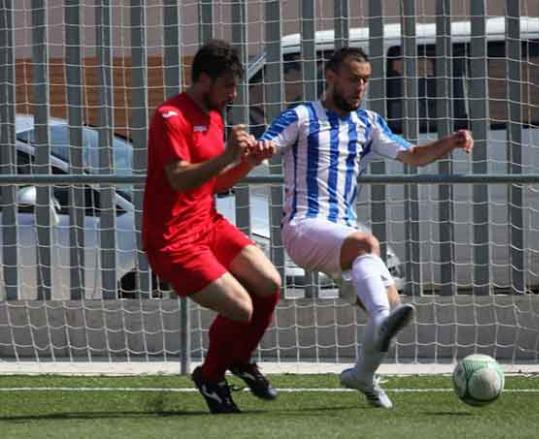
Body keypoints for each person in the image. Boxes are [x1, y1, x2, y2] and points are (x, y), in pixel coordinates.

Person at [260, 47, 473, 408]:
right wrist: (252, 147)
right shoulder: (301, 116)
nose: (360, 88)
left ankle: (363, 375)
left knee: (391, 307)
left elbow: (413, 155)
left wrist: (450, 142)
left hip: (339, 236)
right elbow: (268, 145)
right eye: (353, 79)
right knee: (366, 243)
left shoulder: (368, 124)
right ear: (331, 77)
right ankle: (377, 324)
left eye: (365, 81)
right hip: (303, 228)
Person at [142, 39, 280, 414]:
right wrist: (226, 155)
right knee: (240, 307)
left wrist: (247, 162)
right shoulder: (170, 116)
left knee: (269, 285)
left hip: (207, 222)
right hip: (173, 240)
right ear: (204, 80)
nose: (233, 94)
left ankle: (240, 359)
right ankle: (211, 376)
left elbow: (214, 183)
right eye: (228, 86)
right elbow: (179, 179)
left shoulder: (216, 113)